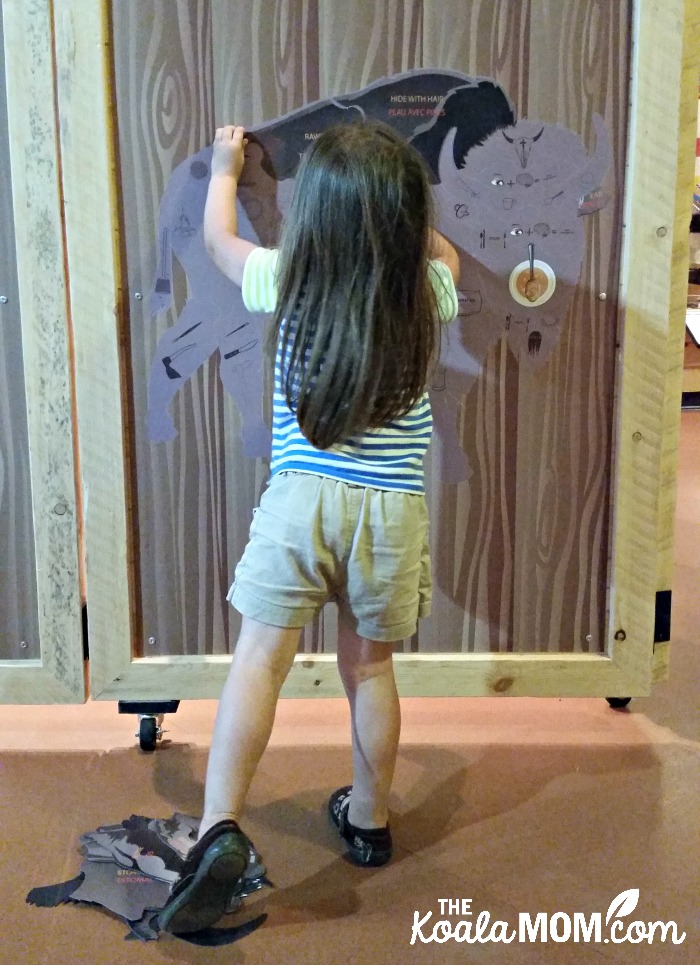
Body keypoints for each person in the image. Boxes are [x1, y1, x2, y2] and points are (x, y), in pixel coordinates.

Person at [158, 120, 459, 934]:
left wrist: (227, 169)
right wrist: (395, 217)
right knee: (371, 669)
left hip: (301, 499)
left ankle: (219, 825)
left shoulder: (287, 276)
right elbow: (442, 255)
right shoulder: (425, 289)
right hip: (388, 512)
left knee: (259, 661)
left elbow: (220, 240)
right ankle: (368, 818)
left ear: (314, 219)